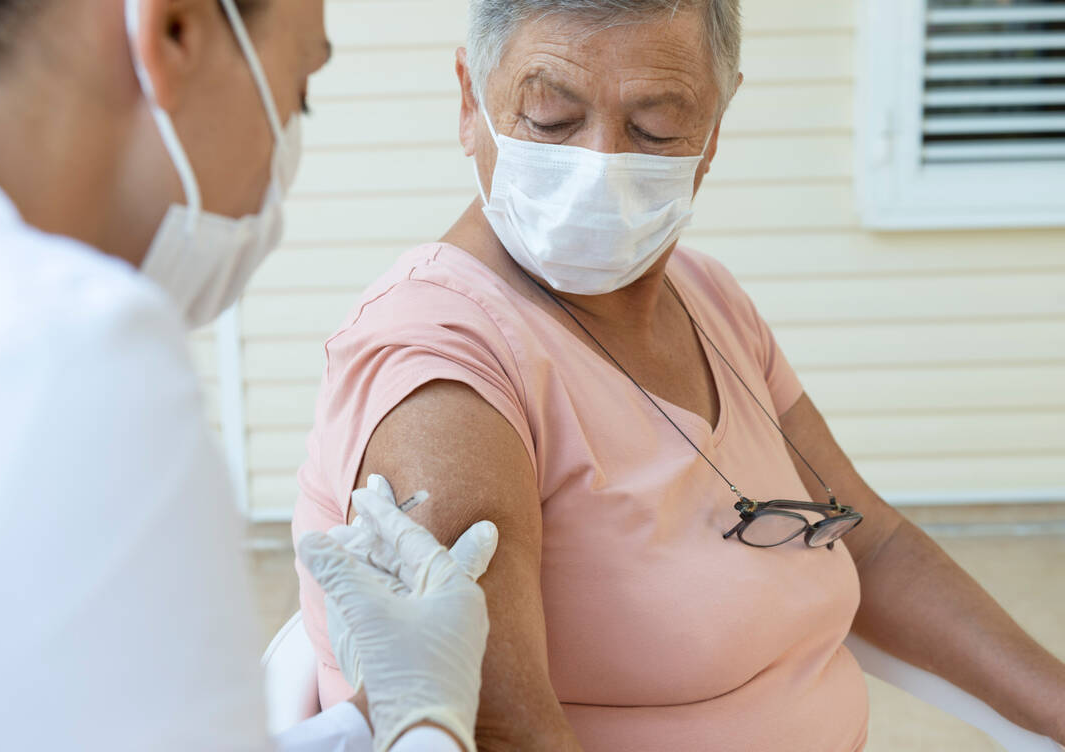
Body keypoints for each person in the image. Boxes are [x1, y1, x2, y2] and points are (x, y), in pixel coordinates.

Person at [293, 0, 1065, 750]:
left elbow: (875, 544)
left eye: (655, 127)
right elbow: (499, 727)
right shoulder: (443, 367)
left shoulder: (708, 298)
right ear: (471, 102)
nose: (599, 165)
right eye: (552, 120)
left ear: (715, 130)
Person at [0, 1, 496, 750]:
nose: (280, 163)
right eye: (299, 91)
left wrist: (368, 724)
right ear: (176, 31)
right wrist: (429, 722)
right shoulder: (60, 355)